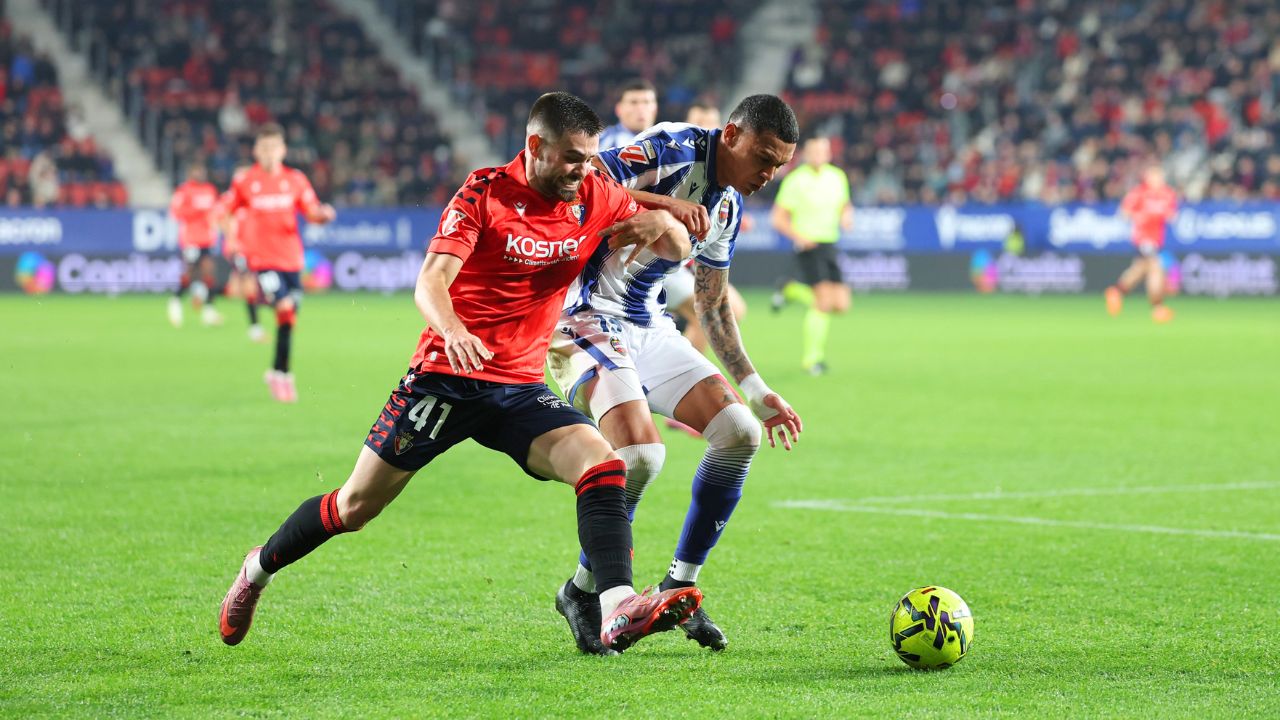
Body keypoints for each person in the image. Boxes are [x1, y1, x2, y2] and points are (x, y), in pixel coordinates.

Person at [219, 92, 701, 655]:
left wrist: (661, 223)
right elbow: (431, 280)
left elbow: (661, 230)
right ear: (535, 146)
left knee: (603, 464)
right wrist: (451, 328)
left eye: (592, 157)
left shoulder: (593, 191)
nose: (585, 169)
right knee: (354, 508)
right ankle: (257, 569)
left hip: (519, 386)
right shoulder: (485, 192)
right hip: (446, 378)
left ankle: (616, 604)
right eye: (573, 157)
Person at [548, 94, 805, 655]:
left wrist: (758, 391)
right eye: (762, 158)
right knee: (640, 456)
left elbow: (712, 306)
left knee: (740, 433)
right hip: (576, 316)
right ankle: (590, 591)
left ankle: (677, 584)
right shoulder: (673, 147)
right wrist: (655, 207)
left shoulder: (730, 207)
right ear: (732, 133)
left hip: (647, 323)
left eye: (777, 166)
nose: (767, 175)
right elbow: (580, 180)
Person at [225, 125, 336, 401]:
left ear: (283, 150)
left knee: (288, 319)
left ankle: (276, 371)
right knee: (285, 310)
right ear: (255, 151)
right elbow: (223, 211)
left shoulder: (296, 180)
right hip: (263, 260)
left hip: (292, 260)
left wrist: (323, 215)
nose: (269, 153)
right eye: (264, 148)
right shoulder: (245, 181)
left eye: (274, 147)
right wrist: (233, 237)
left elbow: (311, 212)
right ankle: (285, 376)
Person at [770, 136, 854, 375]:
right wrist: (797, 236)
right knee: (823, 302)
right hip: (808, 246)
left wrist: (847, 216)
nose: (819, 155)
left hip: (830, 243)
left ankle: (790, 290)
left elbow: (845, 205)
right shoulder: (796, 180)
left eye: (823, 151)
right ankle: (812, 359)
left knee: (842, 304)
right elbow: (778, 218)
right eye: (814, 150)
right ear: (806, 153)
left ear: (828, 153)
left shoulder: (837, 177)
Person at [1106, 164, 1178, 323]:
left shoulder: (1168, 194)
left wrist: (1165, 214)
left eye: (1160, 176)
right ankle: (1157, 308)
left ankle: (1117, 292)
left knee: (1139, 269)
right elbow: (1123, 213)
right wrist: (1140, 215)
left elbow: (1172, 215)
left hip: (1157, 238)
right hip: (1143, 238)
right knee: (1156, 266)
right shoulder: (1139, 193)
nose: (1159, 180)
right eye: (1155, 176)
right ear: (1147, 178)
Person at [167, 164, 223, 327]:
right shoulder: (183, 191)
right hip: (191, 238)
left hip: (207, 238)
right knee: (190, 273)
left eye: (202, 170)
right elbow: (175, 212)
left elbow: (216, 210)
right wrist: (196, 211)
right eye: (196, 170)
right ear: (190, 173)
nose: (200, 173)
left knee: (209, 272)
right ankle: (175, 301)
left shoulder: (210, 190)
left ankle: (208, 310)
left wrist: (215, 222)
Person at [217, 164, 267, 342]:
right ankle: (255, 328)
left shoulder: (254, 198)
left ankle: (208, 294)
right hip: (239, 249)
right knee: (249, 284)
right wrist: (231, 237)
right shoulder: (230, 198)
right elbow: (220, 217)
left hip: (254, 249)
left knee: (238, 288)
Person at [598, 79, 658, 151]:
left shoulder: (669, 141)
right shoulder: (605, 142)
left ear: (655, 109)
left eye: (646, 102)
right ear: (618, 109)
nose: (641, 108)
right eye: (633, 102)